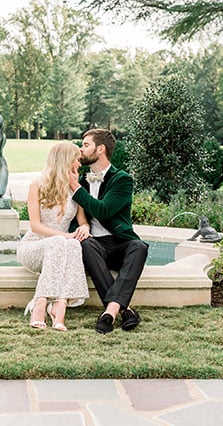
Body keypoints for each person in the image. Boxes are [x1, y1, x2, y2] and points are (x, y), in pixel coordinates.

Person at [69, 129, 148, 334]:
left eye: (86, 145)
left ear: (101, 149)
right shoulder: (81, 179)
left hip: (119, 241)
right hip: (95, 244)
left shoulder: (122, 179)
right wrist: (83, 225)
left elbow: (104, 210)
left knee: (139, 247)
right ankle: (121, 311)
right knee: (85, 244)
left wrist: (76, 190)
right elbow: (75, 216)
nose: (81, 148)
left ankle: (110, 311)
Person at [17, 142, 91, 331]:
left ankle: (59, 308)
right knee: (62, 241)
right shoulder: (37, 185)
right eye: (76, 159)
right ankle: (39, 306)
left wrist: (85, 227)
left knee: (74, 245)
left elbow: (82, 220)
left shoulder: (76, 188)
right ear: (66, 160)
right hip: (34, 247)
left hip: (60, 246)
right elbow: (35, 226)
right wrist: (65, 235)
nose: (79, 164)